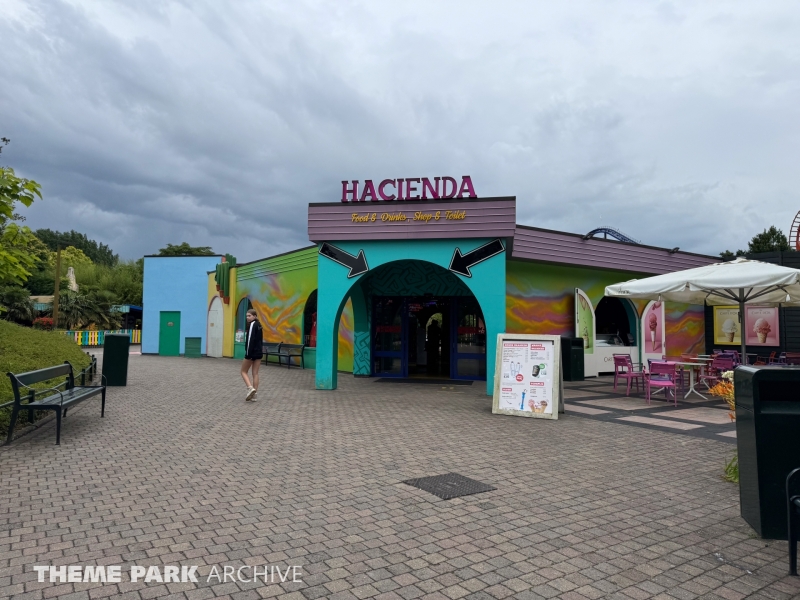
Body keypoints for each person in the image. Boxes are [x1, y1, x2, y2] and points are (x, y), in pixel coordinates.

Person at [241, 308, 263, 401]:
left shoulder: (253, 324)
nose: (247, 317)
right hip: (259, 352)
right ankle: (254, 395)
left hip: (251, 353)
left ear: (255, 316)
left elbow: (250, 340)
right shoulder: (259, 325)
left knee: (243, 371)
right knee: (255, 373)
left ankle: (250, 388)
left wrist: (248, 354)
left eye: (249, 316)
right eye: (247, 316)